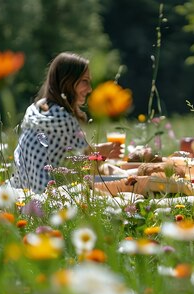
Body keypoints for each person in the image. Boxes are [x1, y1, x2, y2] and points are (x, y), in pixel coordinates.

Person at [10, 52, 118, 193]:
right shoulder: (62, 118)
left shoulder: (35, 109)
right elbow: (87, 162)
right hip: (46, 195)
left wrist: (98, 150)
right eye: (84, 81)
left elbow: (77, 153)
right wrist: (104, 153)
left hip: (19, 189)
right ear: (67, 82)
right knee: (119, 184)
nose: (90, 89)